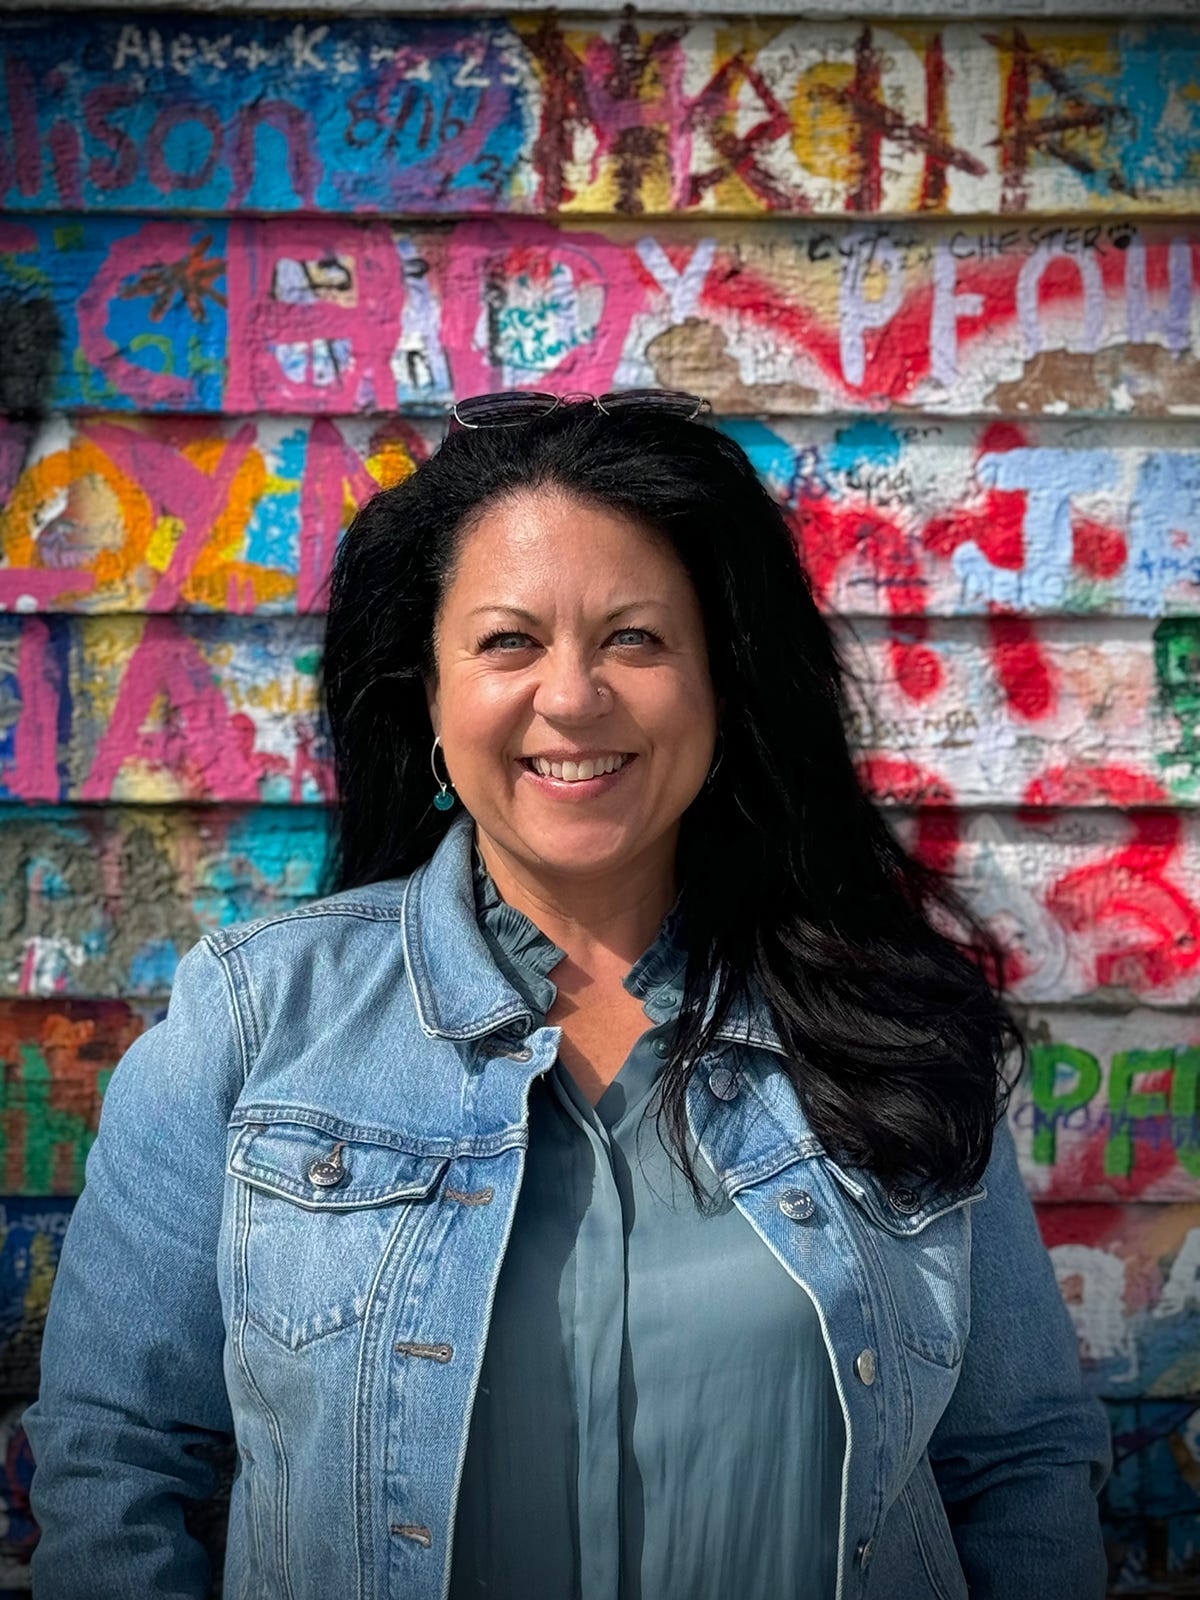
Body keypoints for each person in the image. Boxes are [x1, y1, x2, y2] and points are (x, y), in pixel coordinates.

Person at [24, 388, 1110, 1600]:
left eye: (636, 639)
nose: (574, 695)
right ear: (430, 698)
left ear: (723, 686)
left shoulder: (892, 1025)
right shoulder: (253, 1024)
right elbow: (112, 1463)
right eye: (508, 642)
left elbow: (1020, 1468)